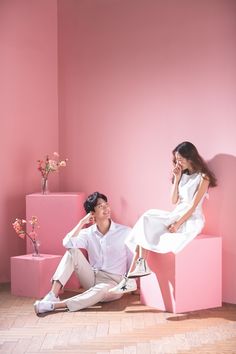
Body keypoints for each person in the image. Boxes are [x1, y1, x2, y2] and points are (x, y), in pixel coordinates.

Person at [110, 141, 217, 294]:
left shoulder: (203, 177)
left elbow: (193, 206)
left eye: (180, 159)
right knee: (147, 218)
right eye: (176, 159)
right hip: (176, 213)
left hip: (191, 219)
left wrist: (178, 224)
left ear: (190, 157)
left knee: (147, 223)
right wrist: (177, 177)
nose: (178, 162)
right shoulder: (183, 175)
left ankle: (130, 278)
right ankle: (136, 270)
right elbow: (173, 201)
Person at [34, 192, 135, 314]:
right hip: (91, 277)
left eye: (106, 204)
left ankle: (54, 305)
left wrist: (129, 282)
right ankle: (52, 295)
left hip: (113, 282)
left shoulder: (125, 232)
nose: (106, 208)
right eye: (100, 206)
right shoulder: (88, 233)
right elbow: (67, 243)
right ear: (92, 213)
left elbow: (132, 259)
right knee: (72, 252)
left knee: (102, 289)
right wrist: (82, 222)